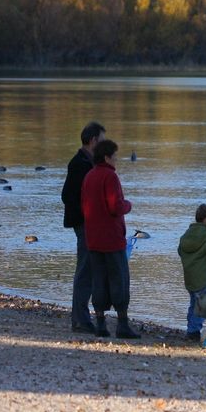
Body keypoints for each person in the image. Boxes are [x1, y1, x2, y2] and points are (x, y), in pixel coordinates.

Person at [81, 139, 140, 339]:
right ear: (107, 157)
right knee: (119, 280)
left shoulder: (89, 176)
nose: (117, 159)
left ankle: (100, 324)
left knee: (98, 280)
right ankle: (122, 324)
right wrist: (128, 205)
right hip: (112, 239)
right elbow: (116, 206)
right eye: (115, 155)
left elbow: (84, 206)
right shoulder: (110, 177)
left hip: (94, 238)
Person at [61, 121, 105, 333]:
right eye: (102, 140)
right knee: (85, 271)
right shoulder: (79, 163)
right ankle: (80, 319)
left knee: (89, 270)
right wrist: (87, 215)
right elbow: (67, 196)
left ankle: (81, 317)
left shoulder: (88, 163)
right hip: (85, 224)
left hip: (89, 224)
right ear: (93, 140)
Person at [178, 203, 206, 341]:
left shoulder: (187, 234)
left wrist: (189, 261)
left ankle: (191, 328)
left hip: (189, 276)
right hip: (202, 277)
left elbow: (180, 250)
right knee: (202, 305)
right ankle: (193, 331)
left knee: (193, 303)